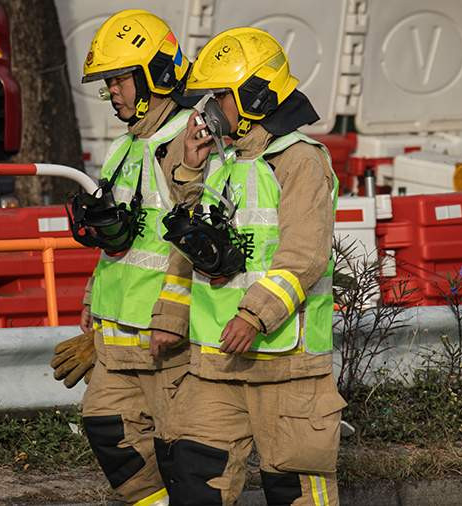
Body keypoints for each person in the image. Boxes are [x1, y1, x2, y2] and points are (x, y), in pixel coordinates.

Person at [150, 27, 345, 506]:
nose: (212, 108)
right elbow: (194, 244)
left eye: (222, 96)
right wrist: (190, 172)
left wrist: (254, 314)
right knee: (195, 480)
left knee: (295, 489)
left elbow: (303, 256)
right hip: (218, 362)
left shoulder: (300, 159)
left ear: (256, 96)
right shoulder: (224, 159)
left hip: (287, 360)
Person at [49, 9, 198, 506]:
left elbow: (191, 243)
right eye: (107, 83)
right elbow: (118, 243)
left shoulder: (188, 145)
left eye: (119, 80)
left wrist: (174, 316)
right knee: (108, 432)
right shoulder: (122, 147)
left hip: (167, 340)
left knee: (183, 456)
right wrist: (93, 297)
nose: (112, 91)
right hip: (115, 336)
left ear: (156, 74)